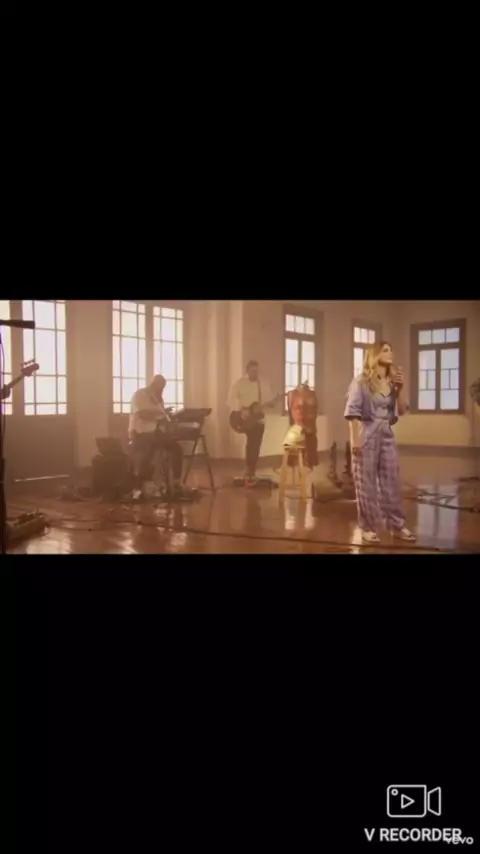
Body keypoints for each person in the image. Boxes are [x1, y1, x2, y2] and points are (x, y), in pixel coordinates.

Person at [344, 341, 416, 544]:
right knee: (365, 483)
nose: (390, 353)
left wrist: (400, 389)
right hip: (366, 433)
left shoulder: (393, 382)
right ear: (375, 355)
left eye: (391, 349)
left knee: (391, 481)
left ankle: (397, 525)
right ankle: (368, 527)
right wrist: (355, 440)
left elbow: (402, 410)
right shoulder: (361, 382)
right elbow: (352, 413)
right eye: (385, 350)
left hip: (386, 434)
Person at [129, 375, 186, 499]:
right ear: (153, 384)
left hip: (156, 433)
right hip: (140, 432)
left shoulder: (158, 400)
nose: (161, 391)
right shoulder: (139, 395)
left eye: (163, 388)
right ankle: (143, 483)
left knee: (177, 449)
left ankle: (176, 482)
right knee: (149, 446)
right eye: (159, 388)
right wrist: (160, 414)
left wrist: (167, 417)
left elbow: (160, 418)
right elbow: (141, 413)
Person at [227, 360, 279, 484]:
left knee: (255, 445)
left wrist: (272, 403)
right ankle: (248, 469)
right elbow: (230, 400)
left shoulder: (264, 385)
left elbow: (269, 402)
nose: (255, 373)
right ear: (247, 371)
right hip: (244, 418)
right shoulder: (240, 384)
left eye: (256, 371)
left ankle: (251, 470)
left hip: (258, 419)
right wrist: (241, 409)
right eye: (252, 371)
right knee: (251, 444)